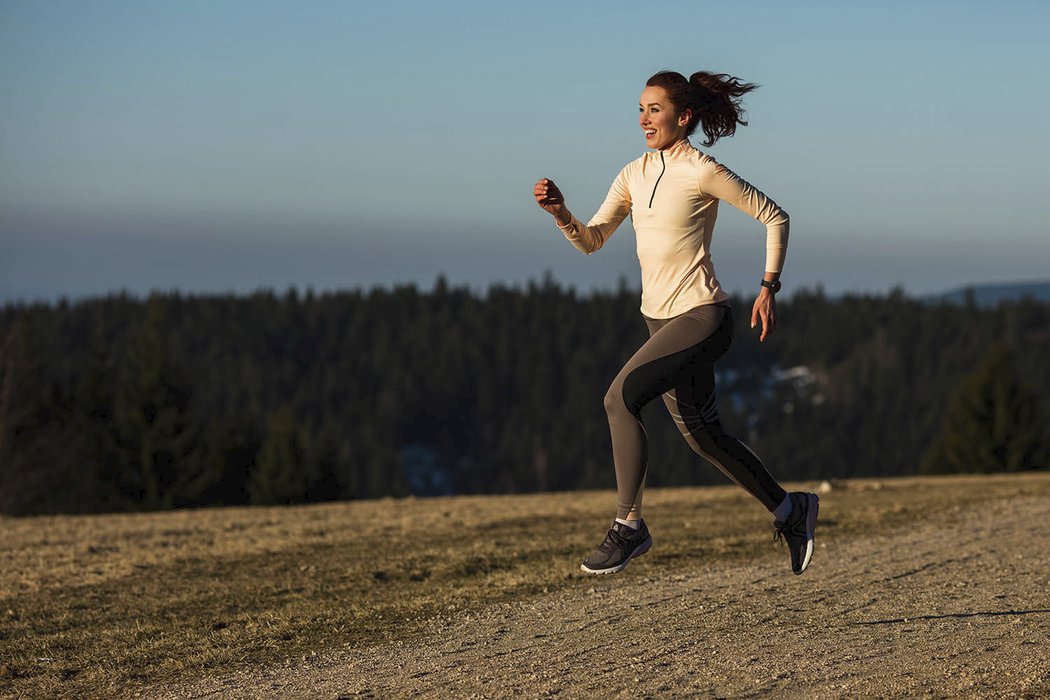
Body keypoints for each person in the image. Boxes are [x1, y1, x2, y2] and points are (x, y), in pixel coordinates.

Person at [533, 70, 819, 576]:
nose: (644, 119)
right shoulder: (632, 173)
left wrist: (768, 287)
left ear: (683, 117)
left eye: (655, 109)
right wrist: (561, 213)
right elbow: (593, 239)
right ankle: (790, 510)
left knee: (619, 399)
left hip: (702, 316)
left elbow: (775, 216)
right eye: (641, 109)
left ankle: (628, 526)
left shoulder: (701, 169)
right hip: (658, 322)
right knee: (703, 436)